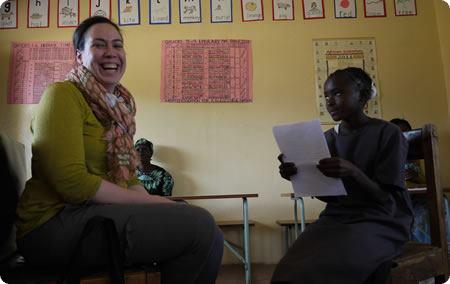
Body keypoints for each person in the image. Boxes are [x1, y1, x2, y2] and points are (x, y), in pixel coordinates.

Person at [15, 16, 223, 284]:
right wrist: (151, 203)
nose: (111, 52)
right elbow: (72, 183)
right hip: (51, 225)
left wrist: (158, 205)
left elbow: (128, 178)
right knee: (198, 226)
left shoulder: (119, 111)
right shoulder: (62, 95)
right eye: (99, 45)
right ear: (79, 56)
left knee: (205, 227)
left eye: (117, 45)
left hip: (89, 216)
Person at [272, 67, 413, 284]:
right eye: (326, 95)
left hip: (383, 219)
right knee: (291, 268)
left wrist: (354, 171)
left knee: (329, 267)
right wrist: (298, 175)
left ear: (363, 95)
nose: (329, 101)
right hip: (337, 218)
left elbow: (385, 197)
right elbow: (331, 197)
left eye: (338, 93)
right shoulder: (327, 139)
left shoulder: (388, 133)